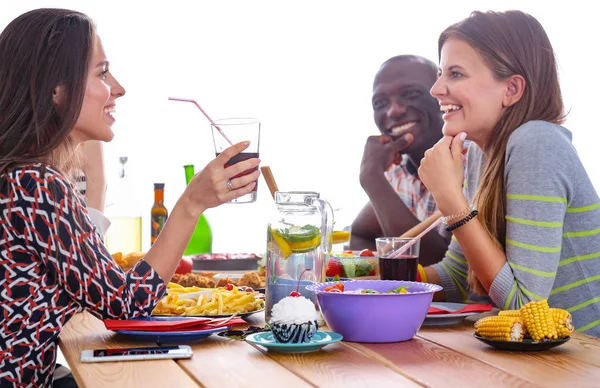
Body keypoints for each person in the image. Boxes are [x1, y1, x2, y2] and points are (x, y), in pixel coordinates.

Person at [0, 8, 261, 386]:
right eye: (102, 73)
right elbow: (125, 305)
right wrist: (191, 204)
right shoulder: (35, 184)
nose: (118, 88)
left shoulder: (25, 177)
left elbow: (93, 283)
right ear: (57, 91)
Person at [419, 10, 600, 337]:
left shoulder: (537, 143)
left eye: (455, 74)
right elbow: (456, 277)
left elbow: (525, 307)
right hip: (539, 362)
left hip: (585, 362)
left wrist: (451, 199)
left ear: (512, 89)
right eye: (440, 73)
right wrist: (372, 276)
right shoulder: (479, 153)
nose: (436, 88)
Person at [350, 55, 450, 266]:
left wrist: (372, 179)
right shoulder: (399, 169)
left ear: (443, 97)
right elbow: (360, 233)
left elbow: (441, 265)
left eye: (411, 94)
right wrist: (371, 274)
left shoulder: (471, 159)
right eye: (380, 103)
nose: (394, 110)